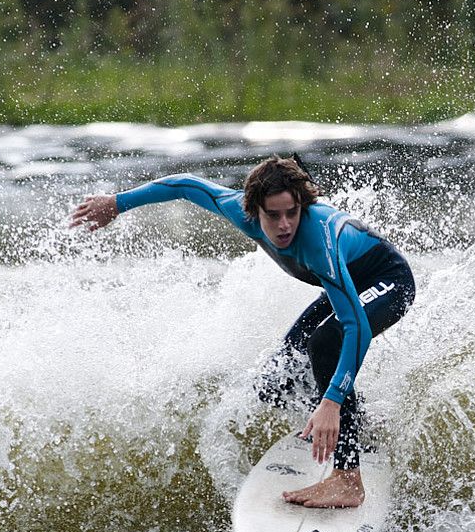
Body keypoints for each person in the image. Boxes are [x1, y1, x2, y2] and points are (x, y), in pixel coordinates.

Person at [70, 155, 415, 508]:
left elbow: (354, 326)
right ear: (253, 211)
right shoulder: (239, 210)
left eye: (292, 213)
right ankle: (357, 425)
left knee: (327, 342)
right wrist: (116, 203)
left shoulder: (320, 240)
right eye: (273, 215)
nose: (284, 226)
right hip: (345, 285)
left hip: (388, 281)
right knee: (276, 383)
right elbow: (186, 185)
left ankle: (347, 480)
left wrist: (331, 401)